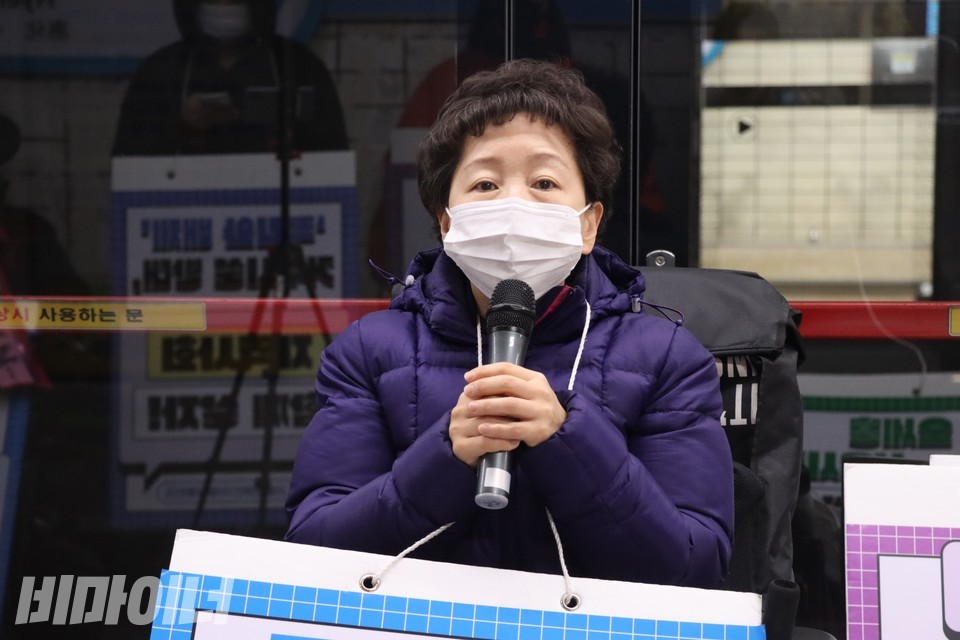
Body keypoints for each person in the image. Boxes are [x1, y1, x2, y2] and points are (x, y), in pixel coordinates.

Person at [285, 59, 733, 588]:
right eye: (485, 184)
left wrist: (568, 439)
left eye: (544, 181)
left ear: (588, 223)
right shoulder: (370, 352)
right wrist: (445, 455)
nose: (514, 203)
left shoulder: (666, 358)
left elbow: (694, 567)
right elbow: (312, 552)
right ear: (447, 223)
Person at [112, 0, 348, 156]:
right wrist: (184, 126)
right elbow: (127, 165)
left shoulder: (298, 66)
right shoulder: (160, 72)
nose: (224, 4)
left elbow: (332, 158)